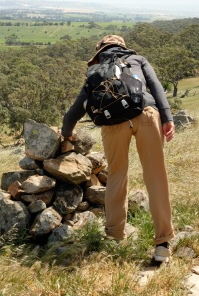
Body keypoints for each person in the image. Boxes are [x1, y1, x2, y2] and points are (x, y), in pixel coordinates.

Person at [61, 35, 175, 263]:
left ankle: (115, 237)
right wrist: (167, 117)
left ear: (100, 51)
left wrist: (67, 131)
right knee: (155, 177)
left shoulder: (96, 71)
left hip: (113, 124)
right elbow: (156, 86)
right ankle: (162, 245)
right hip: (146, 114)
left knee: (116, 176)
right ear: (122, 47)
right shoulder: (138, 59)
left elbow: (78, 106)